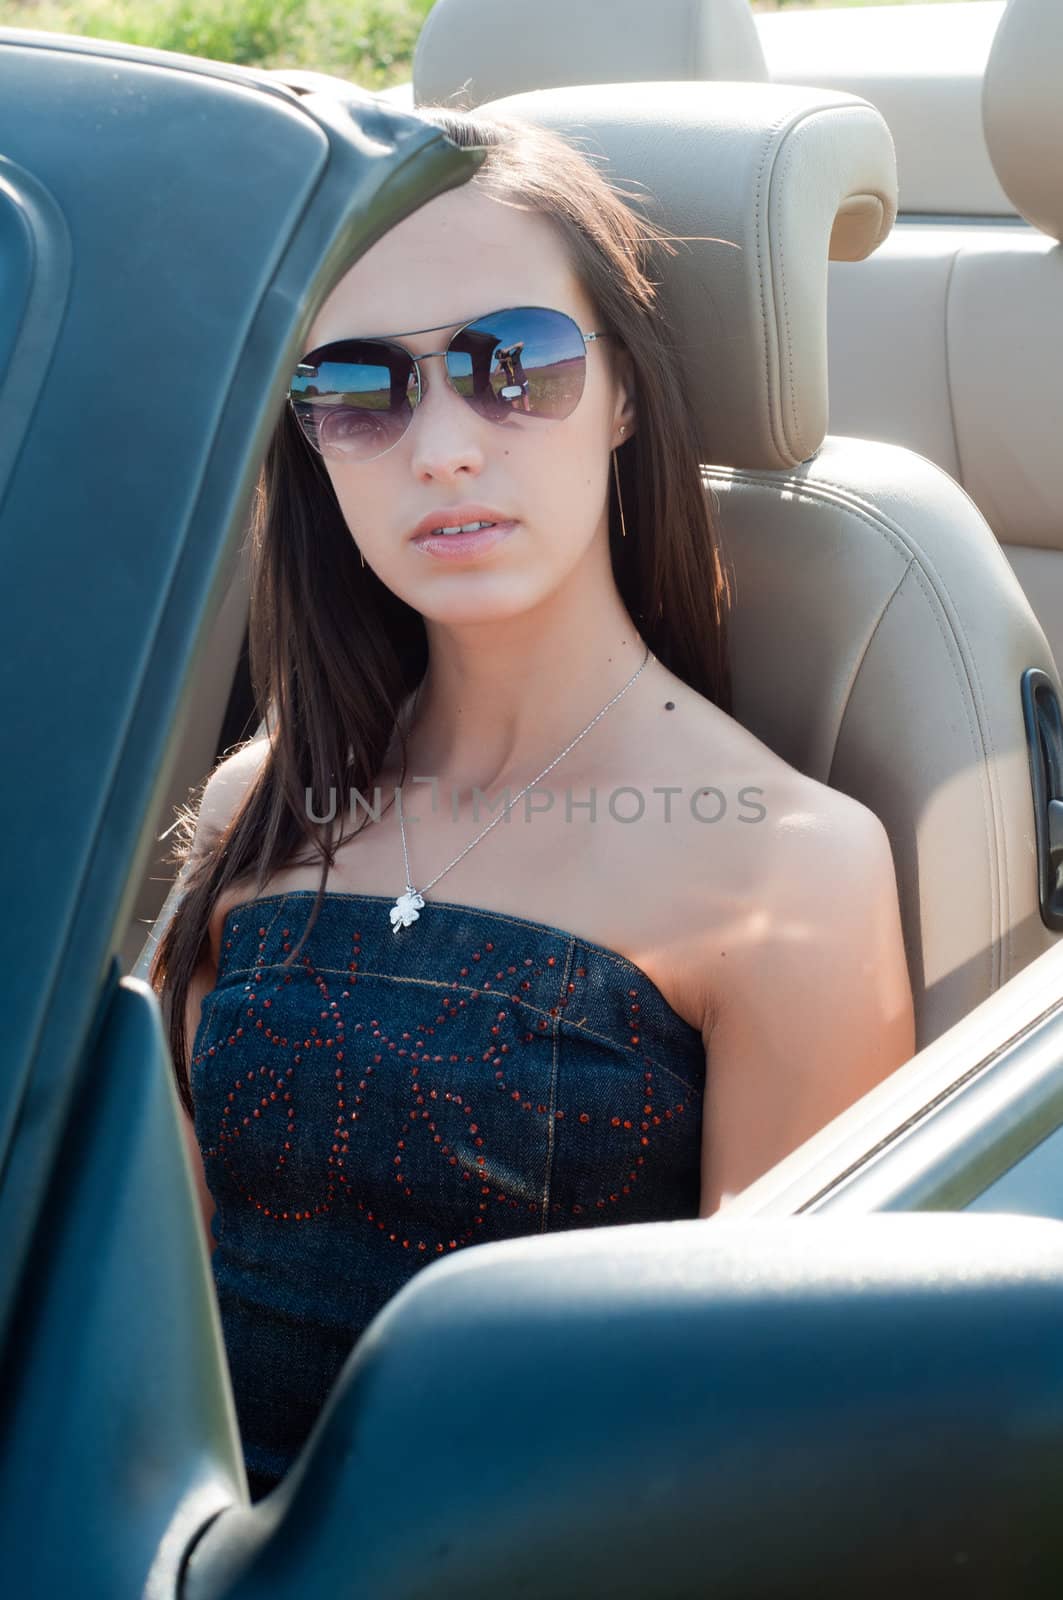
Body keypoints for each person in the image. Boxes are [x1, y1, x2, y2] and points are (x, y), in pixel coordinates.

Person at [149, 103, 915, 1501]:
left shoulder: (790, 871)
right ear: (310, 439)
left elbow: (769, 1450)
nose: (441, 447)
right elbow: (144, 1326)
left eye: (513, 365)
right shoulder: (261, 802)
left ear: (623, 392)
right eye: (361, 389)